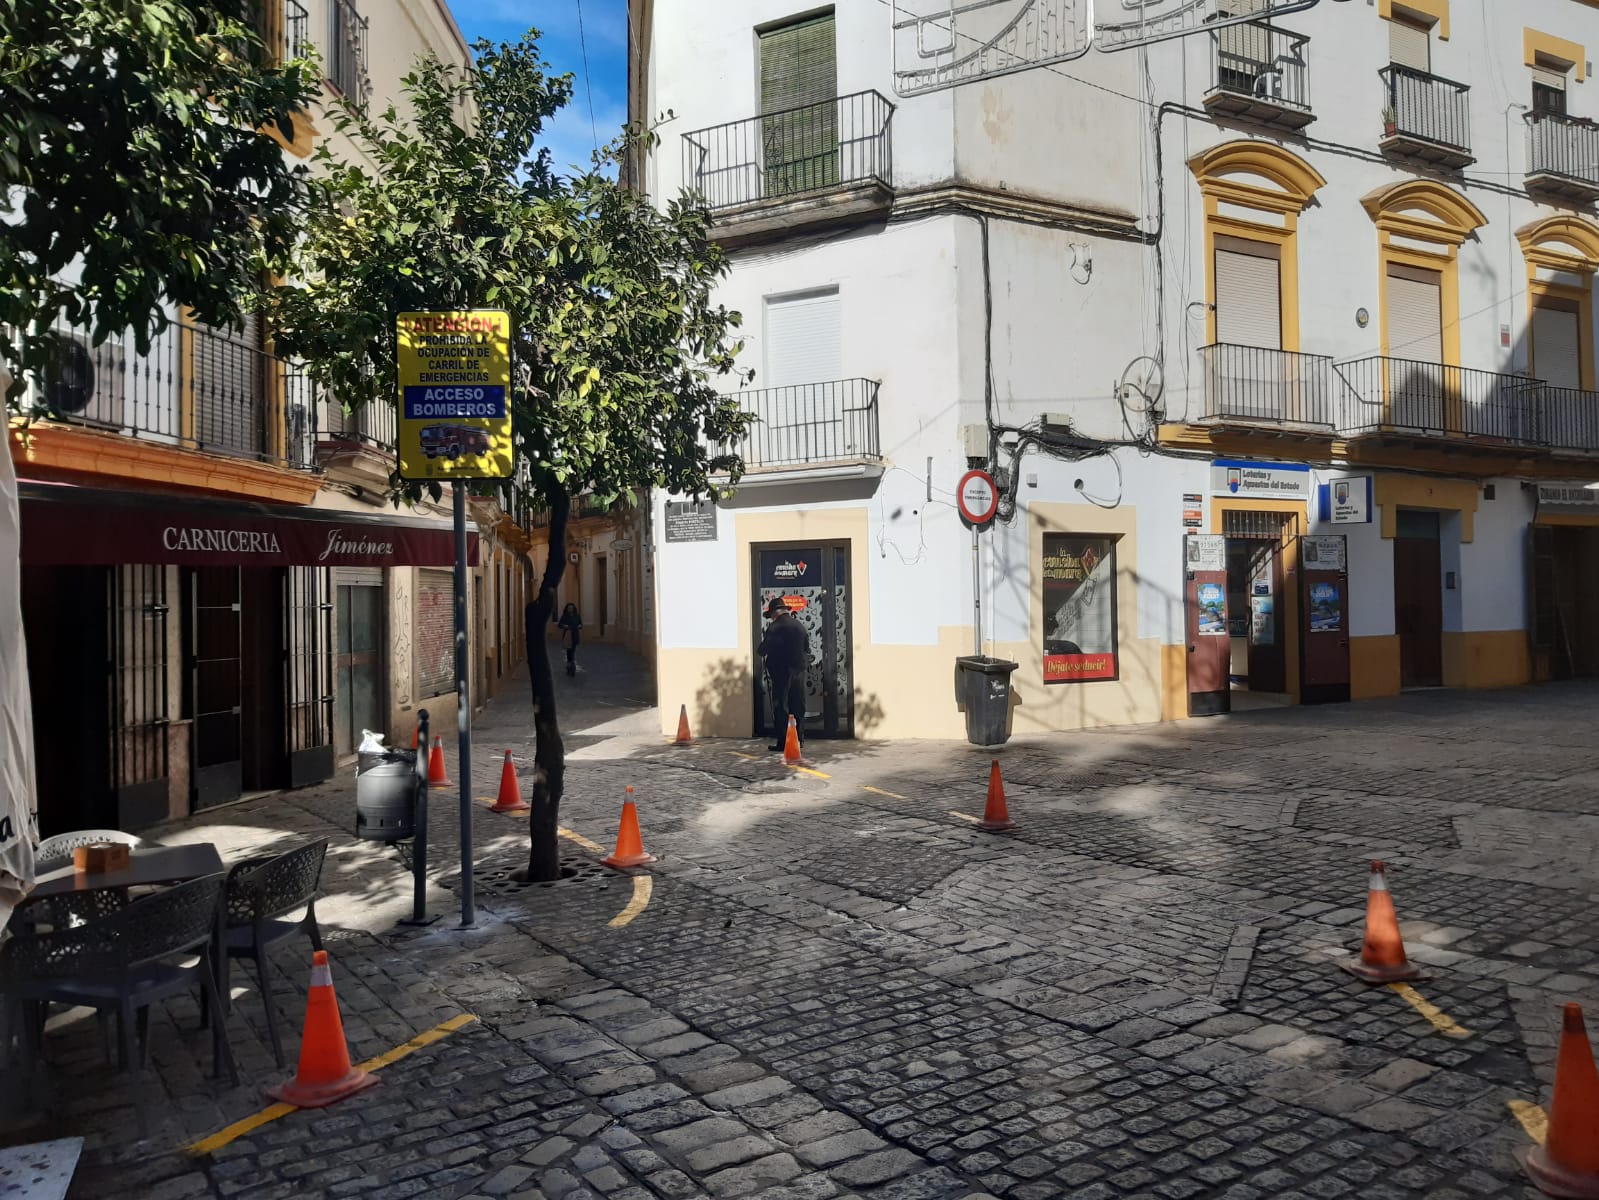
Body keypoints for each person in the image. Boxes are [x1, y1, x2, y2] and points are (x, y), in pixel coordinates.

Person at [758, 596, 808, 751]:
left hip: (781, 673)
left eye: (771, 615)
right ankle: (799, 739)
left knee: (781, 707)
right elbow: (806, 648)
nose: (771, 618)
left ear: (774, 613)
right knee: (797, 706)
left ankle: (783, 742)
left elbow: (762, 650)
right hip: (798, 672)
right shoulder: (799, 626)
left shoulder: (775, 628)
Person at [558, 602, 582, 676]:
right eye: (569, 608)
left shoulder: (577, 616)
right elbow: (560, 625)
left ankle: (571, 665)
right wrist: (564, 626)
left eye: (571, 608)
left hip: (575, 635)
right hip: (568, 636)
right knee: (569, 651)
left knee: (572, 651)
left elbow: (581, 625)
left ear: (574, 609)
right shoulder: (565, 616)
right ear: (567, 609)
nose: (570, 609)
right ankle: (571, 665)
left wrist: (579, 626)